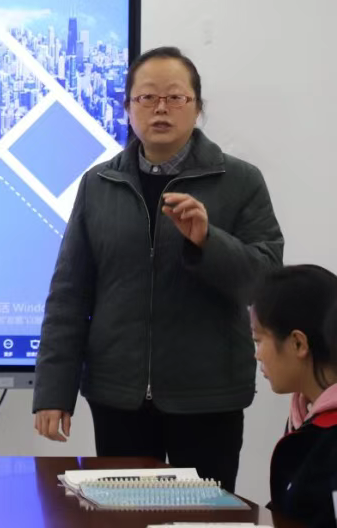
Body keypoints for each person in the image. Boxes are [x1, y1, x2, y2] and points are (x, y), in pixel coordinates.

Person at [32, 46, 284, 492]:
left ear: (197, 107)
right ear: (128, 108)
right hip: (117, 396)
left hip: (208, 396)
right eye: (147, 97)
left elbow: (264, 282)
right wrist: (54, 392)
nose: (161, 108)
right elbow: (69, 294)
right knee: (122, 517)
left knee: (203, 521)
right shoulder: (99, 184)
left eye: (175, 97)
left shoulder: (240, 181)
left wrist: (207, 241)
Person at [252, 265, 337, 528]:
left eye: (258, 340)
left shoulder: (330, 436)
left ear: (298, 343)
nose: (257, 355)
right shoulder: (305, 415)